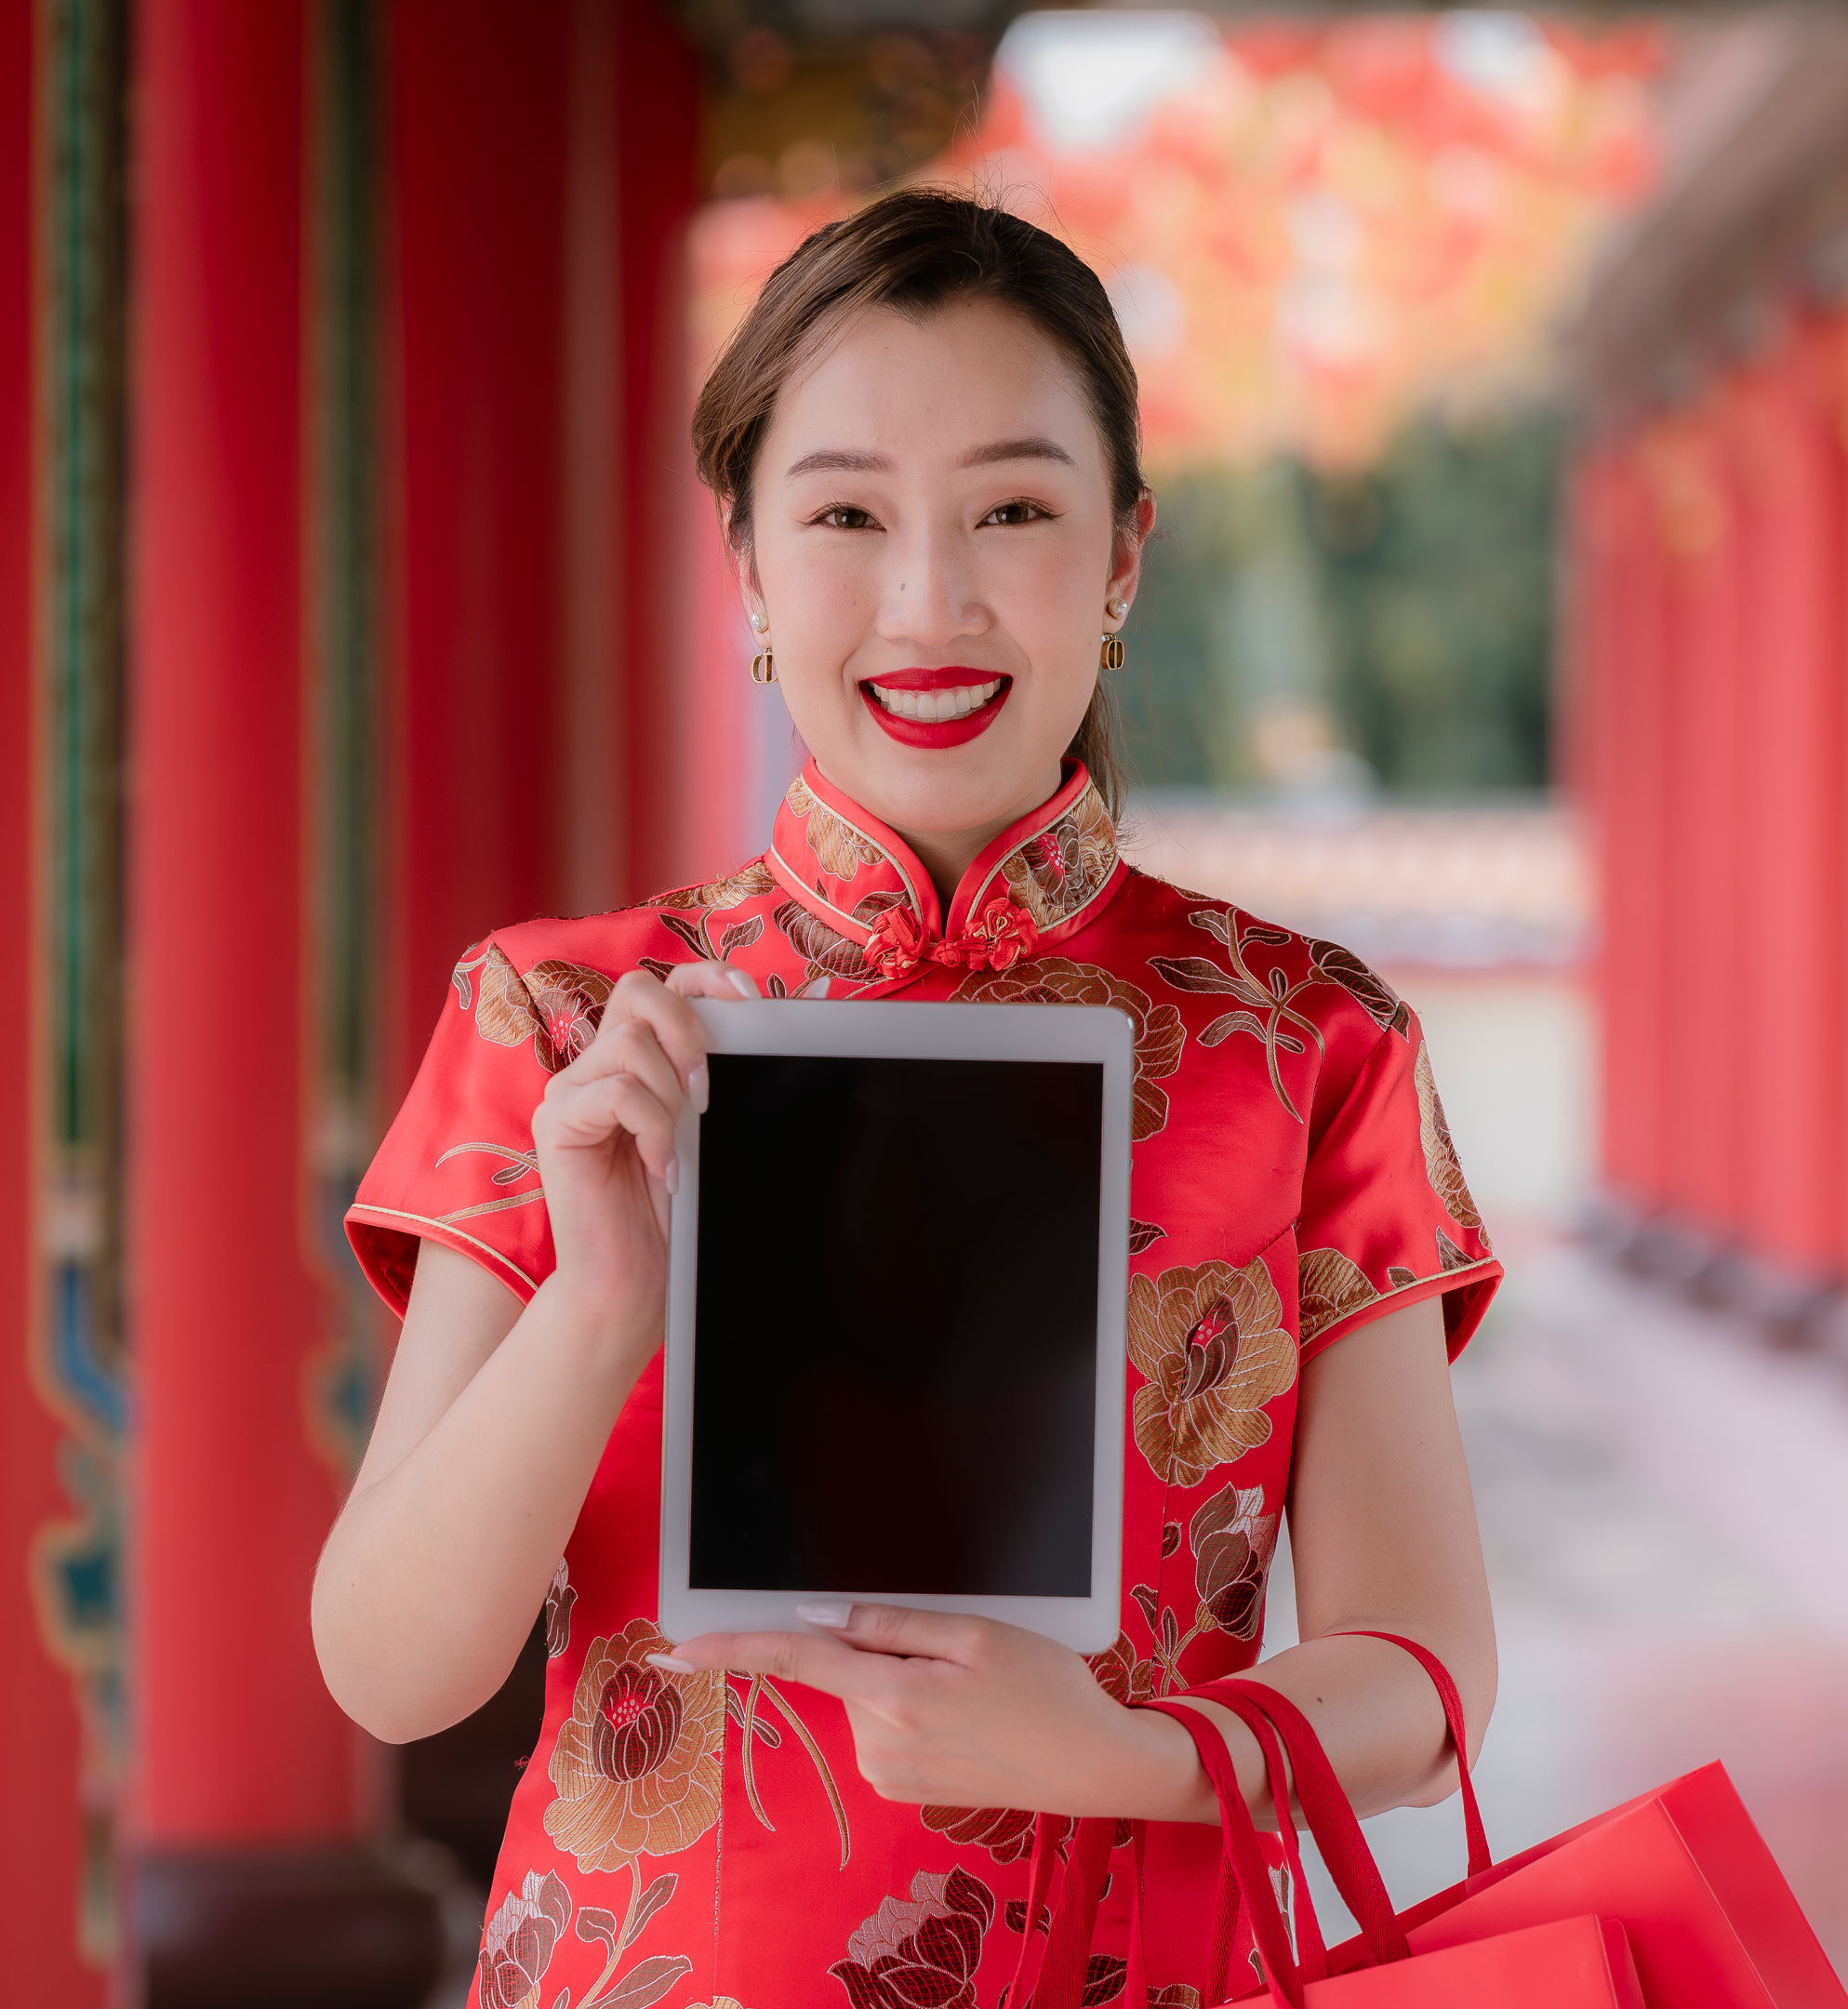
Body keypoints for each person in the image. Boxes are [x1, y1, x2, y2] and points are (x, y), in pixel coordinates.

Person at [311, 188, 1503, 2009]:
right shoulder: (565, 1018)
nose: (930, 598)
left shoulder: (1308, 1042)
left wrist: (1122, 1758)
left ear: (1120, 558)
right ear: (750, 569)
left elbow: (1425, 1678)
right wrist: (610, 1290)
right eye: (848, 513)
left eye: (1014, 510)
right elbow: (392, 1667)